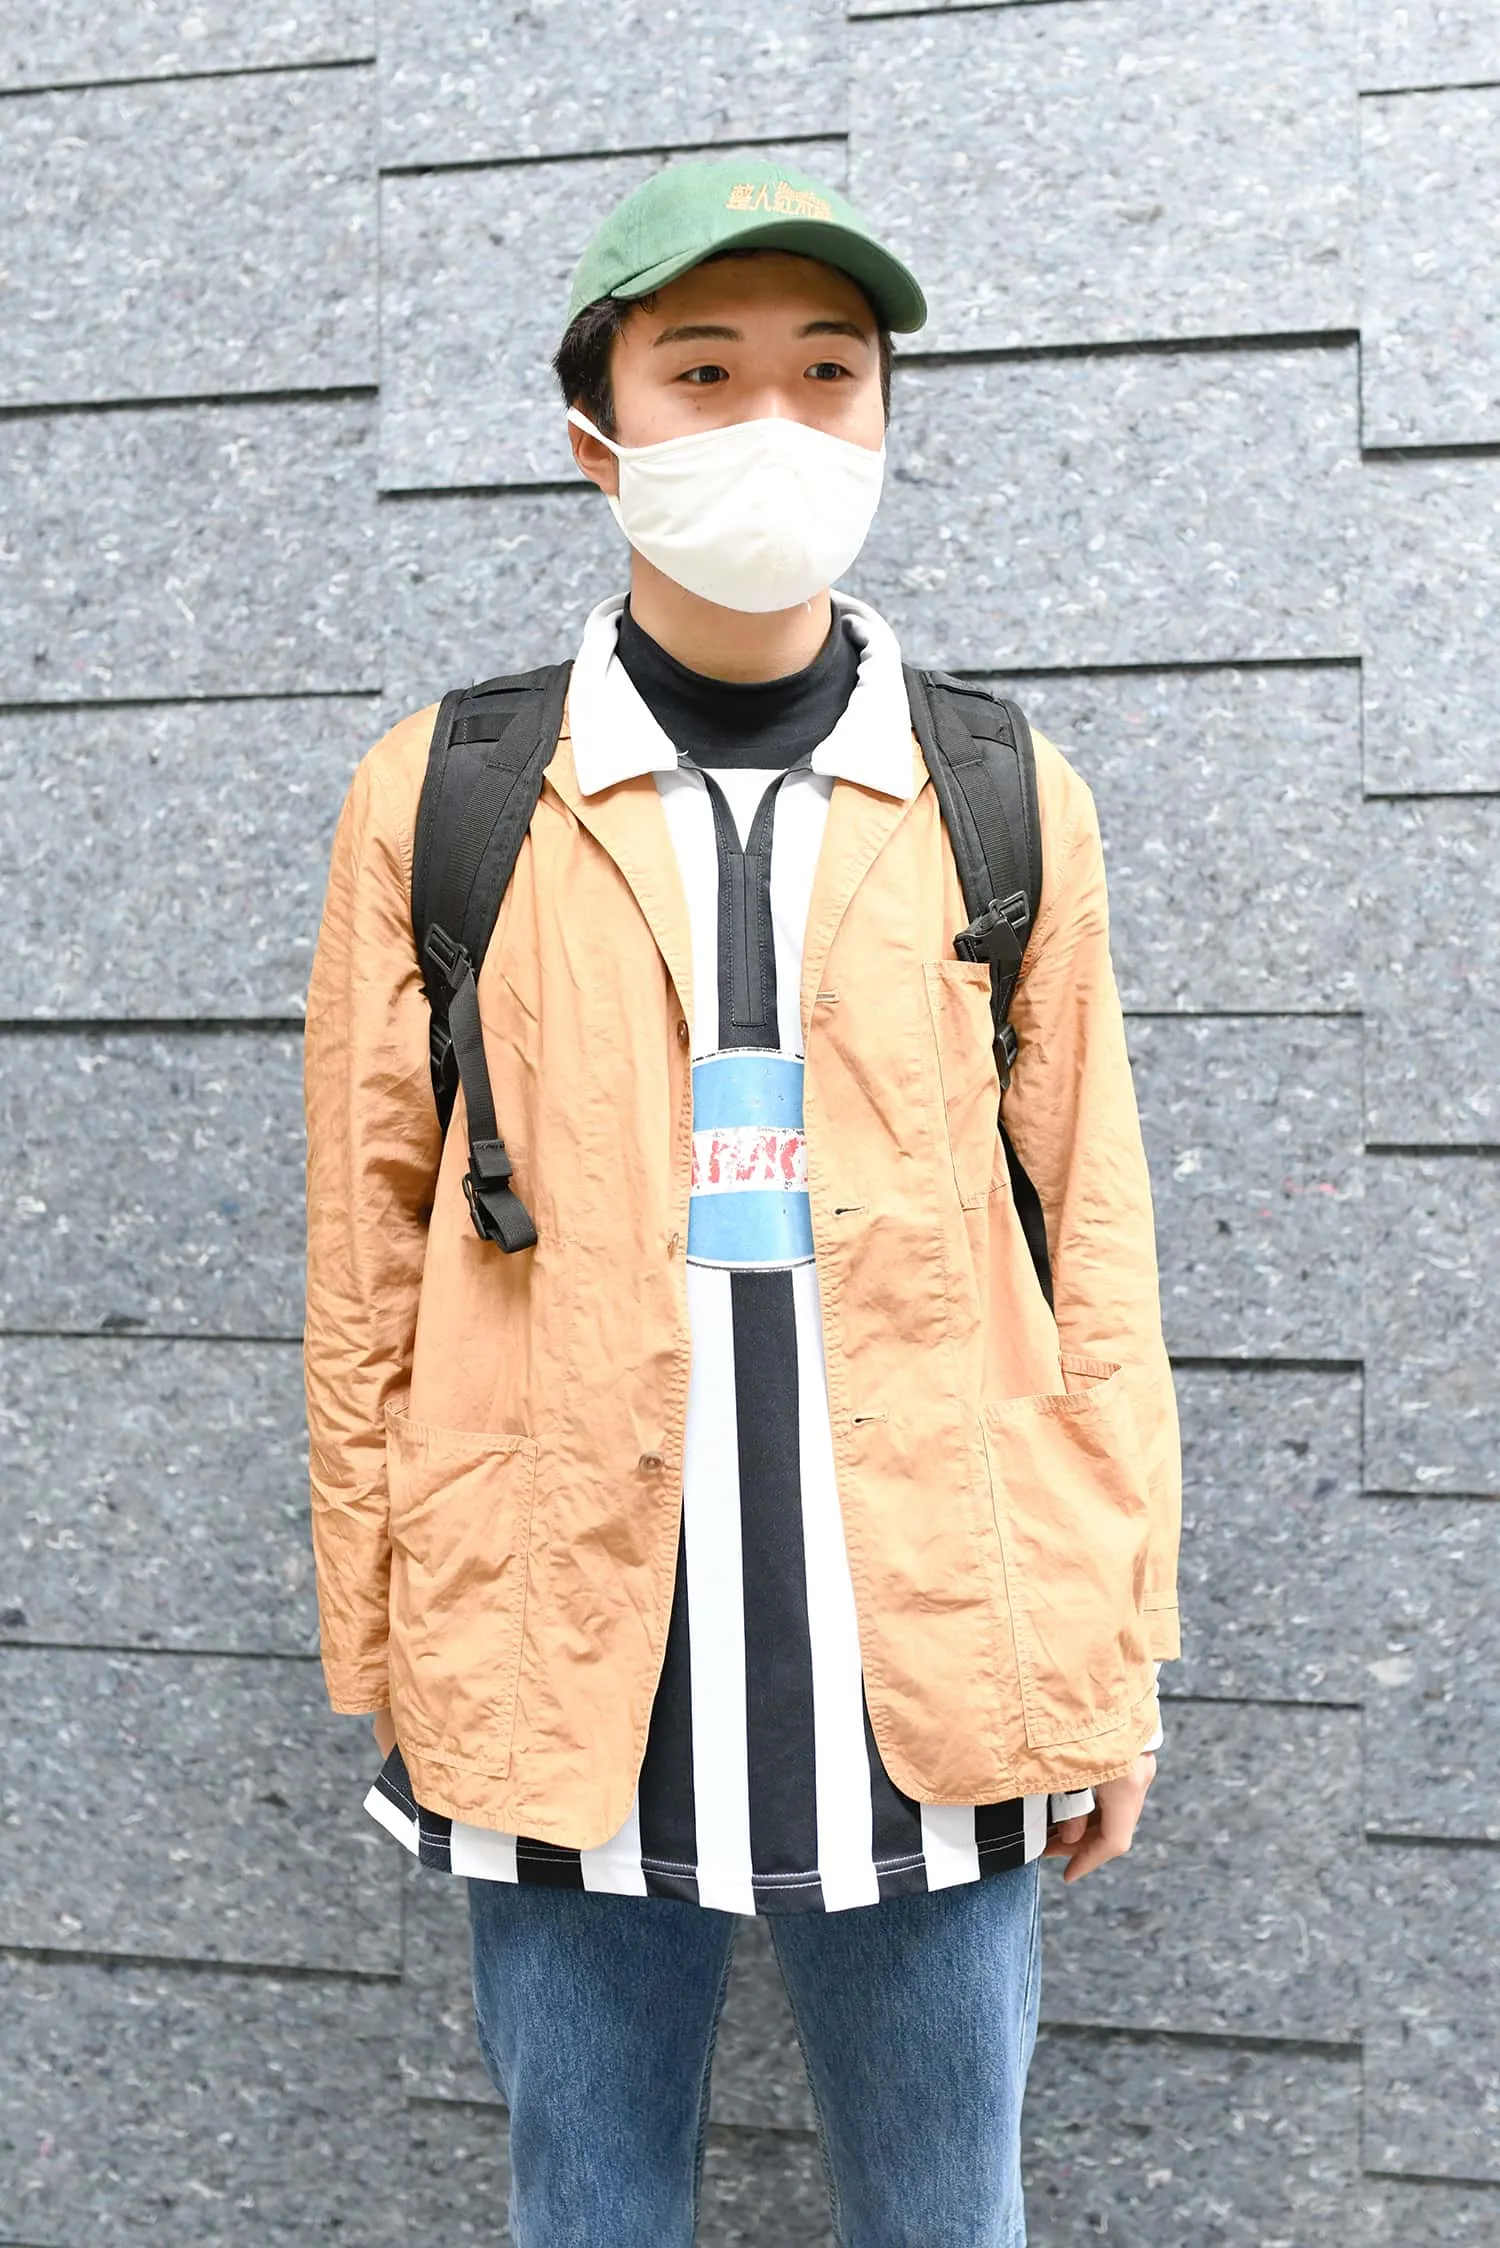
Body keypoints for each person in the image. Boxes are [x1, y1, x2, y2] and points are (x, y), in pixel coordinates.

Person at [302, 155, 1181, 2248]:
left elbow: (1096, 1241)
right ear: (593, 433)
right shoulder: (449, 792)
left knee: (947, 2208)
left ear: (882, 418)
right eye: (702, 372)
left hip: (944, 1636)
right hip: (559, 1644)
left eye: (826, 371)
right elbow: (364, 1255)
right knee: (587, 2204)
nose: (771, 418)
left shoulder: (997, 791)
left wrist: (1115, 1653)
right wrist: (384, 1637)